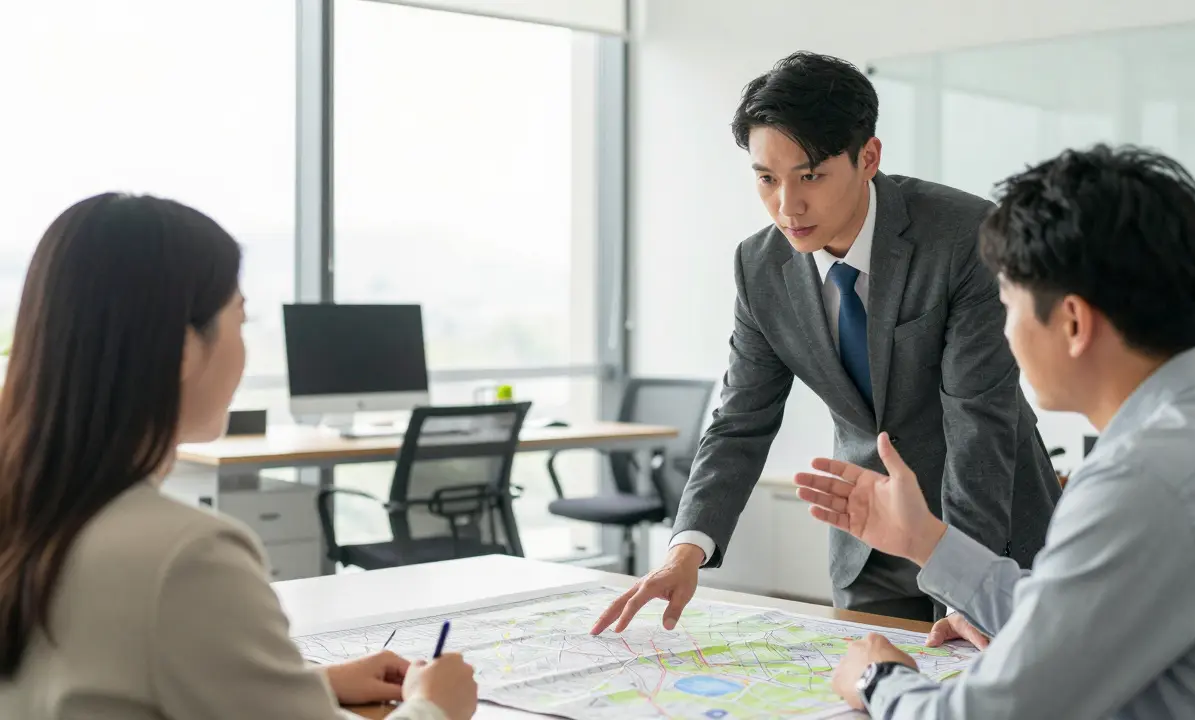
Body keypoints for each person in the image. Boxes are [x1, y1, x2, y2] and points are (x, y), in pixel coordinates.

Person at [797, 145, 1195, 718]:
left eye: (1008, 304)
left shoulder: (1140, 481)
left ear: (1072, 323)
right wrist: (925, 539)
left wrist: (878, 679)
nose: (1004, 331)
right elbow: (1073, 615)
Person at [593, 51, 1061, 630]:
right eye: (767, 179)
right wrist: (684, 552)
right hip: (866, 544)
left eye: (810, 175)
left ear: (868, 157)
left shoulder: (963, 237)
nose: (787, 207)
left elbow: (978, 425)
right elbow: (741, 419)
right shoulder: (760, 265)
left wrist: (967, 586)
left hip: (991, 536)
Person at [0, 194, 478, 720]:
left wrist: (306, 683)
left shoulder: (32, 512)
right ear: (182, 350)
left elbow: (103, 679)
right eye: (241, 320)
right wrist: (435, 706)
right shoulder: (187, 556)